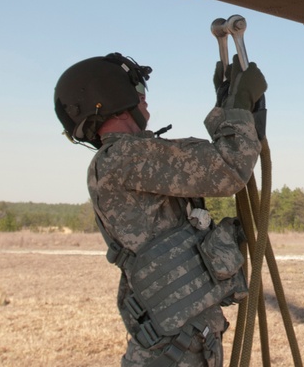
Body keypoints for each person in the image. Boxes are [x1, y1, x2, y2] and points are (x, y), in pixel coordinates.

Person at [54, 52, 266, 367]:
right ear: (113, 94)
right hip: (175, 352)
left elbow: (205, 165)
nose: (144, 98)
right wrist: (238, 105)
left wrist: (226, 104)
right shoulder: (124, 157)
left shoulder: (124, 158)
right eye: (137, 88)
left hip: (180, 345)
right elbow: (228, 168)